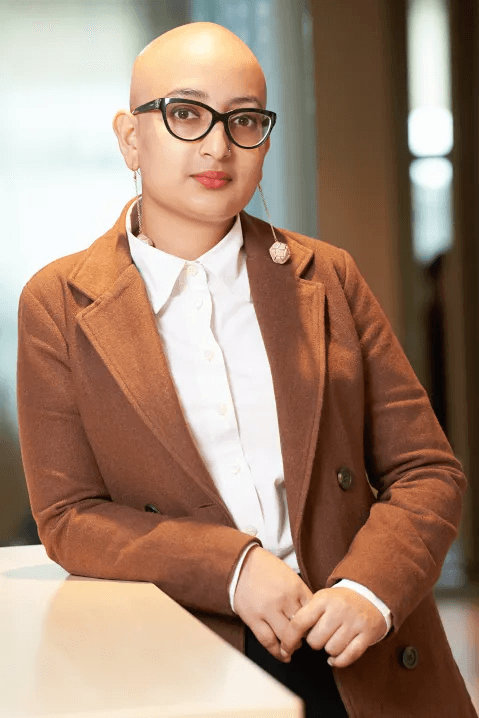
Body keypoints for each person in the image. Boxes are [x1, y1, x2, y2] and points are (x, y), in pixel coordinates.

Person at [16, 21, 477, 718]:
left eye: (245, 120)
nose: (217, 145)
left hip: (358, 644)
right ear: (129, 138)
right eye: (186, 113)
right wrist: (231, 569)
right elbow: (69, 518)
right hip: (189, 655)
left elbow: (427, 471)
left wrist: (368, 590)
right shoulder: (57, 302)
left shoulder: (331, 276)